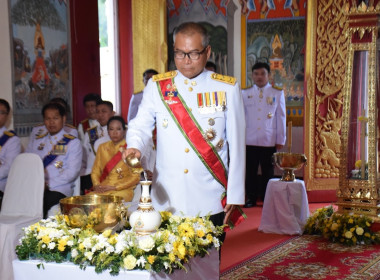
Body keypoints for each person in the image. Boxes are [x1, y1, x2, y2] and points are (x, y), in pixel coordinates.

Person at [123, 22, 246, 236]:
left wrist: (235, 194)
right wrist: (135, 145)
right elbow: (140, 124)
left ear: (207, 52)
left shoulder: (226, 88)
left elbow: (236, 145)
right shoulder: (158, 86)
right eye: (179, 53)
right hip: (169, 196)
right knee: (169, 263)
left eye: (193, 54)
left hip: (210, 195)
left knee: (208, 263)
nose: (185, 61)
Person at [26, 102, 82, 218]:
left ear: (63, 119)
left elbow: (72, 172)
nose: (51, 122)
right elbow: (28, 165)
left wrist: (47, 184)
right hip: (37, 187)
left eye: (55, 118)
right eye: (48, 119)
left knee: (43, 202)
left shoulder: (72, 142)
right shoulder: (37, 142)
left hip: (59, 188)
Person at [242, 62, 286, 208]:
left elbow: (281, 117)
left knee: (268, 171)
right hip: (249, 139)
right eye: (256, 74)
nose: (259, 77)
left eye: (262, 74)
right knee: (250, 171)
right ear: (252, 75)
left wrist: (281, 139)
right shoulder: (244, 93)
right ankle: (251, 198)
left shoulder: (277, 93)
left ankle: (268, 198)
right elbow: (241, 117)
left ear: (268, 75)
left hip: (268, 140)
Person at [89, 116, 140, 201]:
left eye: (118, 129)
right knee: (87, 202)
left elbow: (136, 176)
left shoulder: (130, 148)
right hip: (103, 188)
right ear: (108, 131)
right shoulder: (102, 147)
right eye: (111, 129)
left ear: (124, 131)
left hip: (122, 190)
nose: (115, 133)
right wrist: (97, 185)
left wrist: (115, 187)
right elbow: (95, 171)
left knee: (110, 203)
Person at [81, 100, 115, 193]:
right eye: (97, 112)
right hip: (92, 174)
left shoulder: (121, 131)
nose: (100, 115)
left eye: (104, 111)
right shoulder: (90, 133)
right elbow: (85, 157)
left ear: (112, 113)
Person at [0, 99, 21, 208]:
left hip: (2, 186)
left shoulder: (12, 140)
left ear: (7, 115)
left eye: (1, 112)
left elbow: (8, 167)